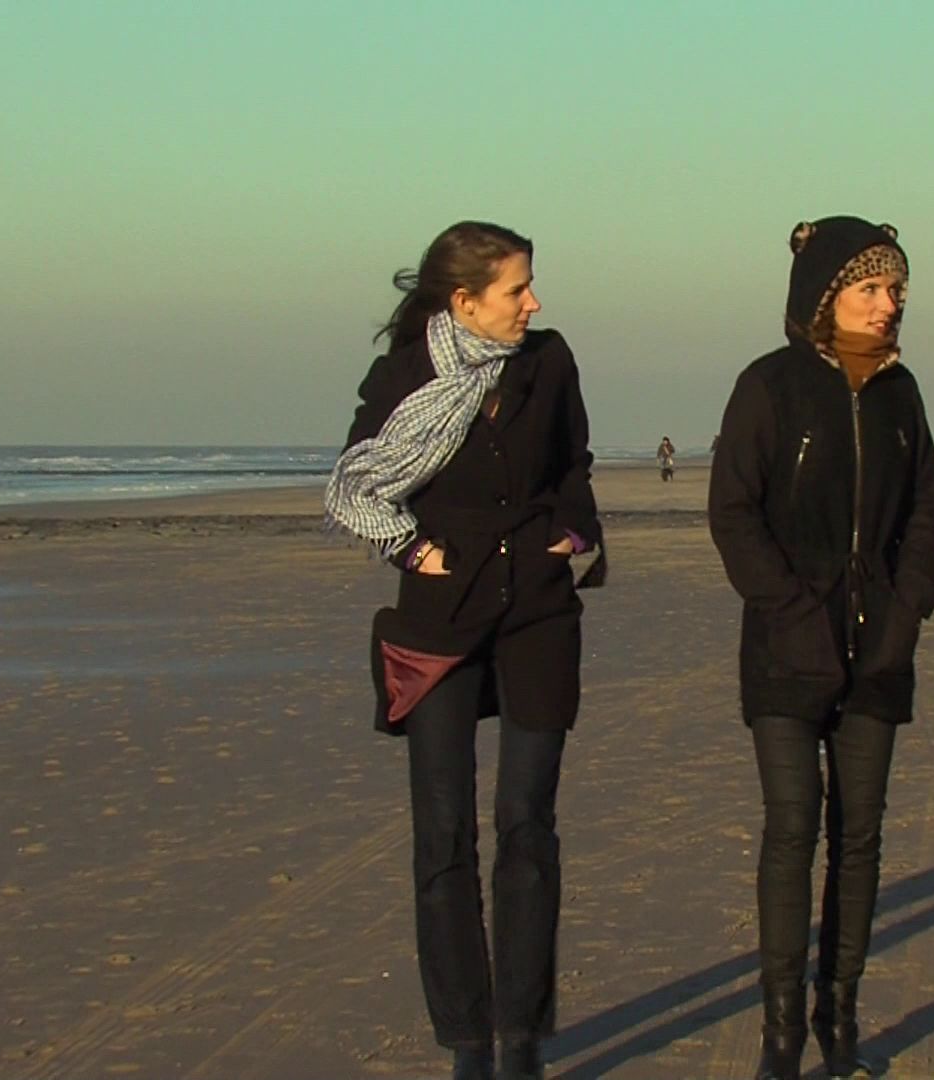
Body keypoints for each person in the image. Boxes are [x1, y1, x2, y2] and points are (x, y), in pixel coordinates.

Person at [324, 221, 604, 1080]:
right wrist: (413, 552)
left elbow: (575, 464)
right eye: (517, 288)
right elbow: (358, 477)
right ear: (465, 300)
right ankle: (467, 1045)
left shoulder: (549, 362)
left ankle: (521, 1039)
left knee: (527, 827)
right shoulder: (403, 377)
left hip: (538, 615)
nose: (534, 302)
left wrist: (572, 535)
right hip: (441, 620)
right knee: (442, 834)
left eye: (531, 285)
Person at [710, 216, 934, 1080]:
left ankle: (838, 1014)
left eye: (896, 290)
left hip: (877, 653)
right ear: (824, 296)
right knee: (793, 827)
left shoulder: (901, 393)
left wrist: (905, 613)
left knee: (861, 836)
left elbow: (927, 513)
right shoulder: (768, 386)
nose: (888, 305)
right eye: (871, 288)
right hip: (787, 652)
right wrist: (791, 611)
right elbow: (733, 513)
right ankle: (780, 1033)